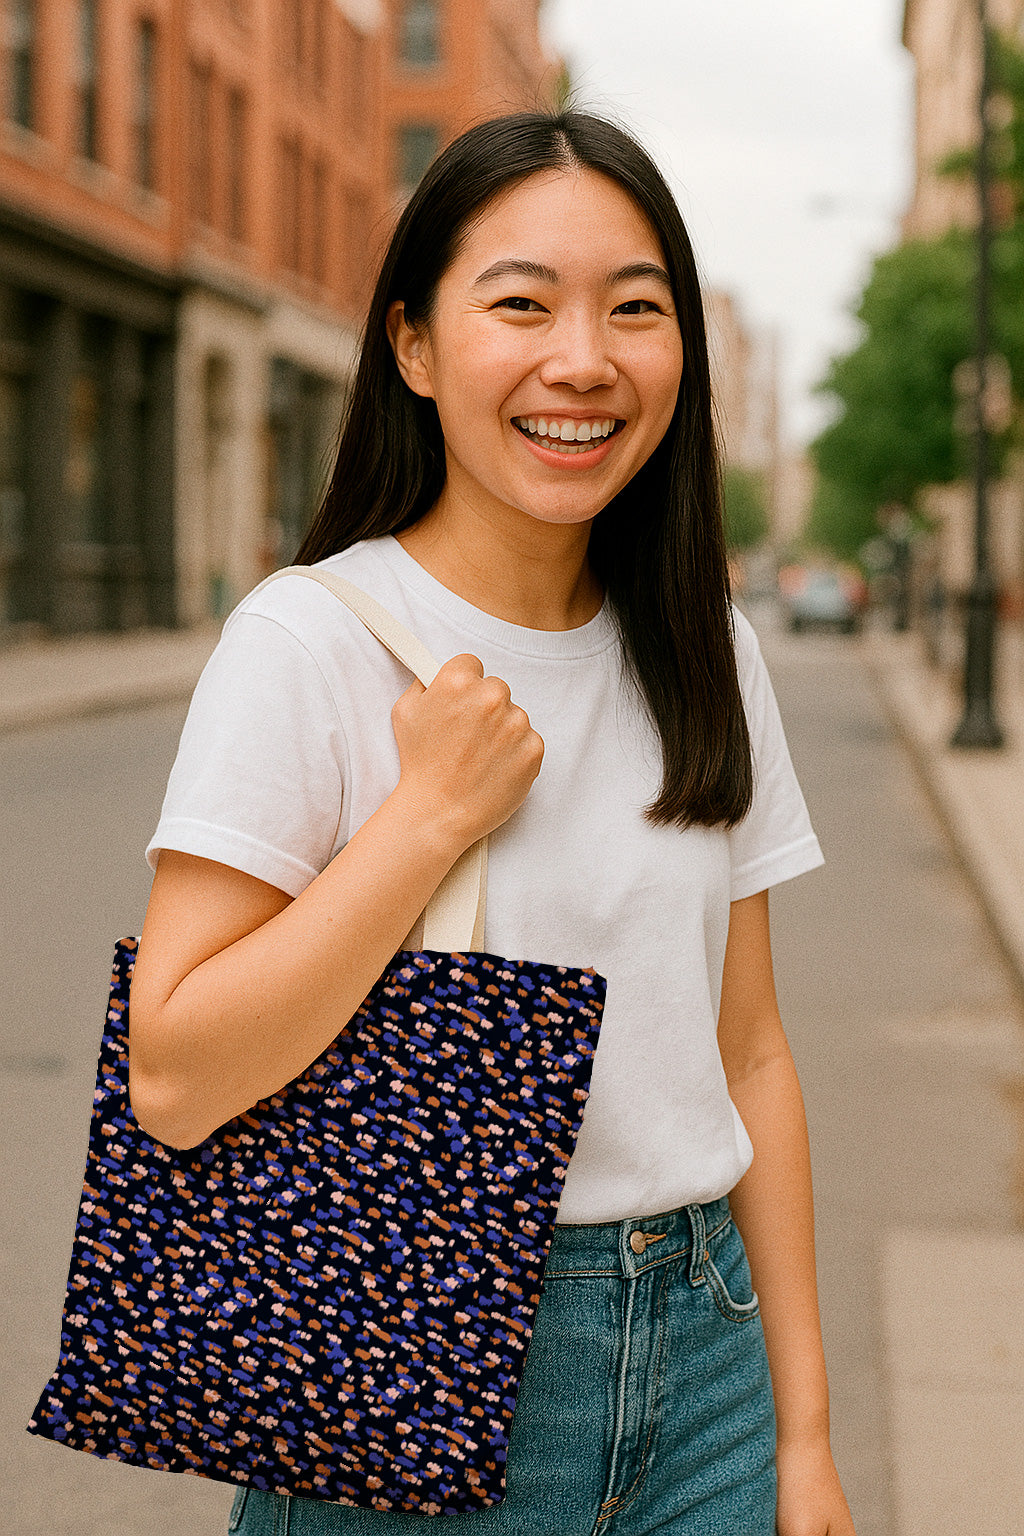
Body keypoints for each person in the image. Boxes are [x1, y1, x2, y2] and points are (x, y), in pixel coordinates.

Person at [128, 110, 855, 1536]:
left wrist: (805, 1433)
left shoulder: (704, 643)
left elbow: (750, 1050)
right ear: (413, 345)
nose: (581, 360)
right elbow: (176, 1070)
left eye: (634, 311)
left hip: (705, 1357)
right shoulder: (312, 640)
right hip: (420, 1329)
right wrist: (423, 822)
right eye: (520, 303)